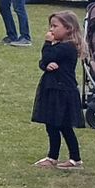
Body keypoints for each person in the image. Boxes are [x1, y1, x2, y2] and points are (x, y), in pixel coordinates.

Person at [32, 12, 85, 169]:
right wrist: (46, 66)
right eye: (50, 26)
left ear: (68, 29)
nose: (51, 30)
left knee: (63, 126)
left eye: (55, 26)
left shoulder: (67, 47)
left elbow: (47, 56)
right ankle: (53, 156)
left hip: (62, 92)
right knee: (52, 125)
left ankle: (74, 159)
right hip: (53, 89)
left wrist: (47, 43)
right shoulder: (59, 47)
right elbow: (43, 62)